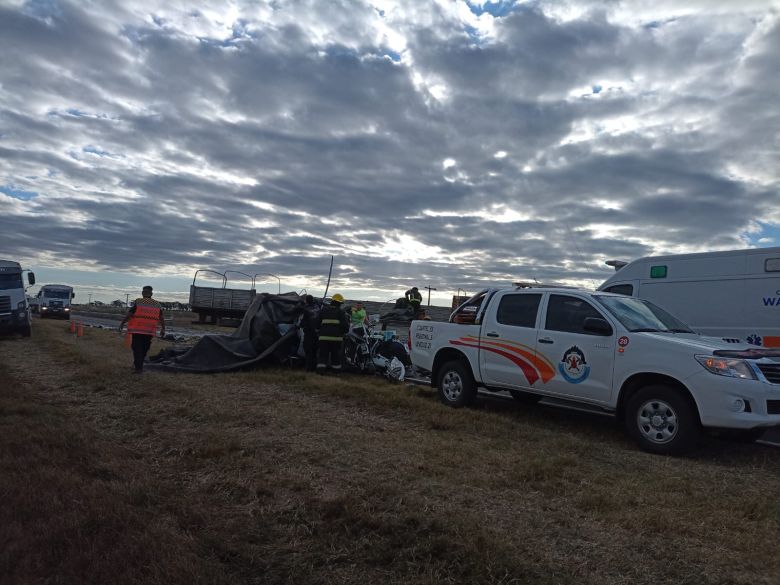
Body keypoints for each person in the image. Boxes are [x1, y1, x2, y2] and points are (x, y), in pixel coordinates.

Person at [119, 286, 165, 373]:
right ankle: (139, 365)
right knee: (144, 348)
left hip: (137, 330)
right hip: (149, 331)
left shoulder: (139, 302)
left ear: (143, 293)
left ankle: (138, 368)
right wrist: (163, 329)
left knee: (137, 348)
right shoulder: (157, 304)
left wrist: (122, 323)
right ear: (151, 294)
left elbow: (129, 314)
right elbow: (161, 318)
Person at [316, 293, 349, 374]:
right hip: (336, 339)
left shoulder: (323, 310)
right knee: (335, 357)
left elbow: (317, 324)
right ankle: (336, 373)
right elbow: (345, 326)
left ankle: (320, 372)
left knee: (323, 356)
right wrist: (344, 332)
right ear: (339, 303)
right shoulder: (341, 312)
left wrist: (319, 331)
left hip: (323, 338)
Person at [300, 294, 320, 372]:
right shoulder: (318, 307)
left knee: (308, 351)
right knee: (314, 351)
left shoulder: (306, 309)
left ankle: (309, 368)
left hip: (309, 333)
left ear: (307, 301)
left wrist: (300, 325)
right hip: (317, 333)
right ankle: (314, 367)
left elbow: (303, 322)